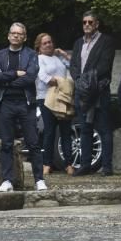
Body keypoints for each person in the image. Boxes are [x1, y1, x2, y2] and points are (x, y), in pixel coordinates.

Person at [0, 22, 45, 192]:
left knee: (33, 143)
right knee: (6, 143)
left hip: (26, 103)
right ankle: (7, 180)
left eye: (19, 34)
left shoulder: (30, 54)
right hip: (5, 103)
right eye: (13, 33)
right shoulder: (0, 55)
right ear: (8, 36)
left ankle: (39, 179)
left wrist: (6, 81)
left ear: (25, 37)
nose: (15, 36)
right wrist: (14, 74)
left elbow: (30, 77)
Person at [70, 11, 116, 176]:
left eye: (90, 22)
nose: (87, 25)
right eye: (84, 22)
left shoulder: (107, 42)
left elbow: (104, 67)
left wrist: (88, 81)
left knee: (104, 128)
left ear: (97, 24)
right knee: (85, 129)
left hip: (99, 91)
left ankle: (107, 167)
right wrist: (79, 81)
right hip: (81, 92)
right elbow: (74, 65)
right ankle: (85, 165)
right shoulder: (77, 43)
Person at [34, 32, 74, 177]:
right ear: (39, 46)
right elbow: (44, 77)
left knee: (65, 131)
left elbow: (72, 66)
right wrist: (62, 82)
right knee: (49, 132)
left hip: (62, 98)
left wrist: (63, 53)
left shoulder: (58, 59)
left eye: (50, 42)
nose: (48, 45)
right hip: (46, 98)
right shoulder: (38, 59)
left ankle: (68, 164)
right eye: (45, 43)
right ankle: (47, 163)